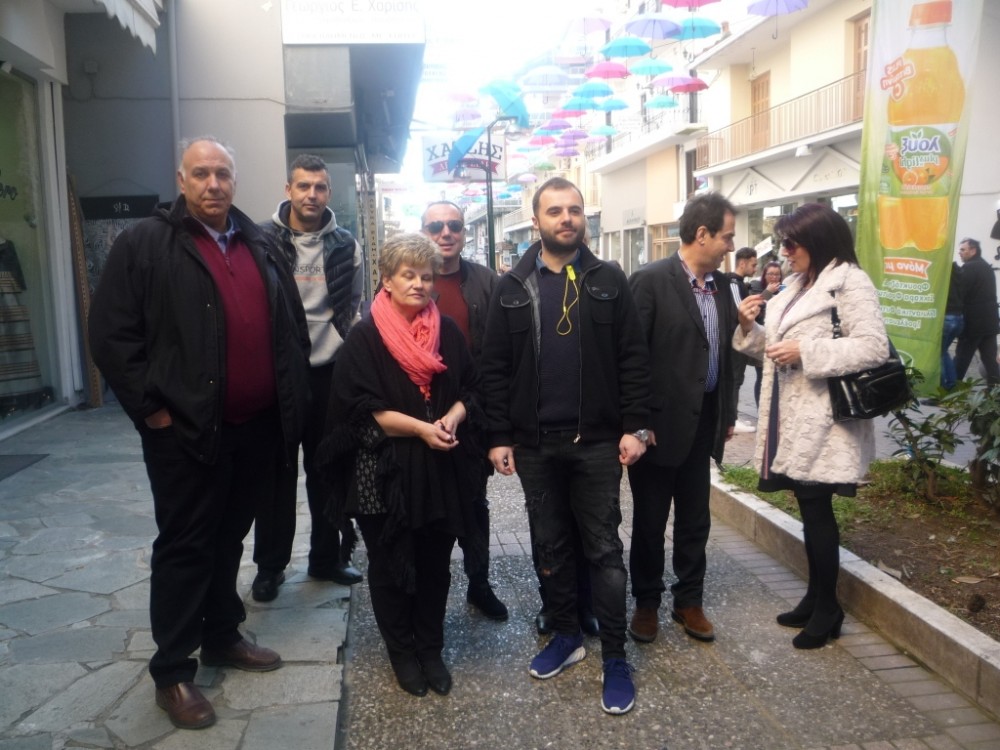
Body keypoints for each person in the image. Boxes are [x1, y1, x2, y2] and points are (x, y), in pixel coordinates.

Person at [88, 137, 311, 729]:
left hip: (255, 427)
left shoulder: (261, 241)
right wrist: (151, 411)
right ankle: (172, 672)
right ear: (181, 180)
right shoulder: (145, 243)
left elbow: (289, 325)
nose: (214, 184)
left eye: (223, 174)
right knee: (186, 546)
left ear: (235, 180)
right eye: (201, 173)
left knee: (229, 537)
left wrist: (290, 403)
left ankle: (222, 635)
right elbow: (110, 334)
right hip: (185, 431)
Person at [480, 177, 651, 715]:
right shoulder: (511, 285)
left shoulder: (609, 279)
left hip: (596, 443)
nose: (566, 218)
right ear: (536, 221)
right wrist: (498, 436)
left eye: (574, 210)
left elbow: (633, 356)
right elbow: (493, 368)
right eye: (555, 211)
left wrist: (636, 426)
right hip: (534, 446)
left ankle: (615, 658)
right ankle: (567, 634)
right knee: (550, 546)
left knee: (604, 551)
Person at [319, 233, 481, 698]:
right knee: (391, 565)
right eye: (408, 275)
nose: (419, 284)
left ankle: (430, 649)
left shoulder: (447, 331)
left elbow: (471, 388)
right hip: (383, 471)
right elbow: (358, 411)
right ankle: (402, 653)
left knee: (435, 564)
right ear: (386, 280)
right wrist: (421, 428)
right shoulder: (365, 336)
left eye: (426, 276)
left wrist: (452, 416)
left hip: (439, 470)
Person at [733, 202, 889, 649]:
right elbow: (776, 348)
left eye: (791, 243)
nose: (784, 251)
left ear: (818, 240)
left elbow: (873, 347)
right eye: (783, 243)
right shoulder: (798, 283)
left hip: (826, 420)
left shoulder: (850, 282)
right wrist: (749, 328)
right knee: (808, 509)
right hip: (793, 415)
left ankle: (828, 608)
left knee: (818, 511)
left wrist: (808, 352)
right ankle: (816, 598)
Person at [626, 192, 739, 646]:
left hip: (703, 422)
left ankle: (689, 600)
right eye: (727, 237)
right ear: (702, 234)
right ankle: (646, 602)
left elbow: (726, 356)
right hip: (656, 428)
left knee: (696, 520)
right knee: (650, 523)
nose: (731, 245)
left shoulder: (724, 286)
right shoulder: (650, 281)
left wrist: (727, 412)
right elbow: (631, 357)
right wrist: (637, 423)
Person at [250, 154, 363, 602]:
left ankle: (326, 558)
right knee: (275, 475)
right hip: (279, 373)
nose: (311, 194)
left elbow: (352, 306)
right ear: (289, 190)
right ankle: (270, 568)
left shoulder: (346, 244)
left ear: (328, 192)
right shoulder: (260, 239)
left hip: (329, 372)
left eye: (319, 187)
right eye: (303, 186)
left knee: (327, 470)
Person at [420, 200, 508, 621]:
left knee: (474, 504)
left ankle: (479, 584)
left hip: (472, 412)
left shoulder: (486, 282)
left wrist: (497, 426)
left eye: (454, 225)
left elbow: (500, 355)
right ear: (424, 231)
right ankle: (424, 592)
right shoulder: (410, 278)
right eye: (436, 225)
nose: (446, 232)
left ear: (464, 231)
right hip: (420, 414)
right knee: (425, 503)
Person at [954, 237, 1000, 386]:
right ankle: (994, 391)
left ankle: (950, 392)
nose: (960, 252)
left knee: (961, 359)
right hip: (990, 322)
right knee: (990, 361)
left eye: (963, 249)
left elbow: (960, 293)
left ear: (973, 250)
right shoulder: (986, 267)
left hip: (973, 323)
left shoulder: (969, 268)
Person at [727, 246, 758, 433]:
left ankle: (733, 416)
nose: (755, 269)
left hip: (738, 339)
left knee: (737, 379)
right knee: (735, 379)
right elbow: (741, 311)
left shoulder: (739, 284)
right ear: (742, 263)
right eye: (753, 265)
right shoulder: (733, 283)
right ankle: (732, 418)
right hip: (734, 340)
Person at [748, 261, 784, 407]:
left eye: (777, 274)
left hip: (779, 338)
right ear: (764, 275)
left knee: (777, 377)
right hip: (762, 337)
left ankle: (774, 407)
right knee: (762, 375)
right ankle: (761, 409)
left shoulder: (784, 289)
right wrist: (768, 292)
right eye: (770, 274)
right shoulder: (756, 286)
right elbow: (754, 306)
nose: (774, 277)